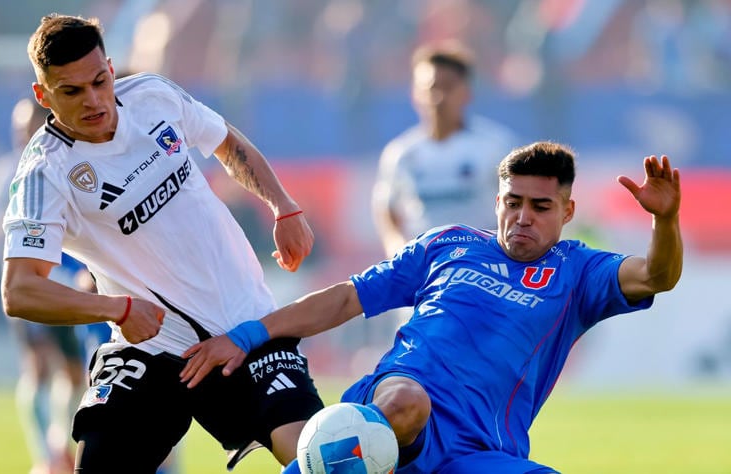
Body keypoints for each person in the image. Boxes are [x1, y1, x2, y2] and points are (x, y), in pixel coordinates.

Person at [179, 142, 683, 473]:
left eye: (541, 207)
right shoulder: (448, 244)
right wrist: (249, 335)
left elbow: (657, 275)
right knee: (404, 405)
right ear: (497, 202)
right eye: (513, 202)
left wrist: (666, 222)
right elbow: (348, 298)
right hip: (398, 409)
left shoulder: (579, 271)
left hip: (481, 450)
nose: (523, 217)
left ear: (568, 211)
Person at [1, 14, 323, 473]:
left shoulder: (152, 95)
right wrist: (117, 310)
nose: (93, 101)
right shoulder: (43, 174)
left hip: (244, 326)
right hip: (149, 350)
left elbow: (227, 144)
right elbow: (19, 291)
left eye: (99, 81)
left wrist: (283, 205)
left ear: (111, 69)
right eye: (71, 92)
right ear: (43, 95)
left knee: (318, 458)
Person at [0, 97, 87, 474]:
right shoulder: (11, 171)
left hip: (69, 285)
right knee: (37, 367)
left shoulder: (68, 161)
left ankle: (59, 445)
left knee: (73, 372)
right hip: (31, 281)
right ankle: (47, 456)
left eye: (28, 128)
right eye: (18, 130)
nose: (23, 137)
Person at [372, 41, 519, 258]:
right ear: (415, 94)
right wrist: (396, 247)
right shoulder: (401, 153)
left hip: (482, 265)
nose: (438, 97)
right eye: (431, 88)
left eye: (448, 87)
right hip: (425, 270)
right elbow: (387, 207)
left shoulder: (496, 146)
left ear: (466, 93)